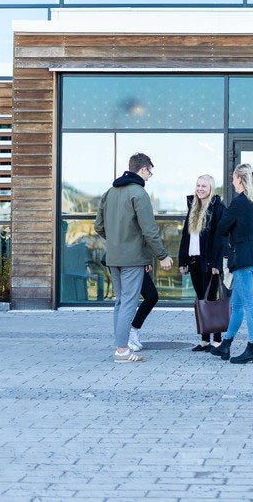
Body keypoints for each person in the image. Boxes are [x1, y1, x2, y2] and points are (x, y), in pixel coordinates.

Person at [94, 152, 173, 364]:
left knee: (120, 302)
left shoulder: (110, 192)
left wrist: (116, 242)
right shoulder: (139, 194)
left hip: (113, 257)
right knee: (129, 302)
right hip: (132, 259)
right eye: (150, 172)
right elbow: (149, 230)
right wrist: (162, 255)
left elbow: (98, 226)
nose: (150, 176)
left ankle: (121, 347)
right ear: (143, 169)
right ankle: (122, 351)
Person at [210, 163, 253, 364]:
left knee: (248, 303)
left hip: (242, 259)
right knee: (236, 304)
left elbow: (222, 228)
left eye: (233, 178)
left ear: (240, 180)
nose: (231, 181)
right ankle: (226, 344)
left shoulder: (239, 203)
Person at [178, 174, 225, 352]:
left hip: (210, 262)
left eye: (203, 186)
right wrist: (183, 261)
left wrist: (216, 264)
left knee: (212, 301)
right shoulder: (193, 207)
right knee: (201, 300)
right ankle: (205, 340)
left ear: (211, 188)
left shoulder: (218, 208)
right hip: (195, 261)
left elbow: (220, 239)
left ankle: (217, 340)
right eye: (198, 186)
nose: (199, 189)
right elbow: (185, 236)